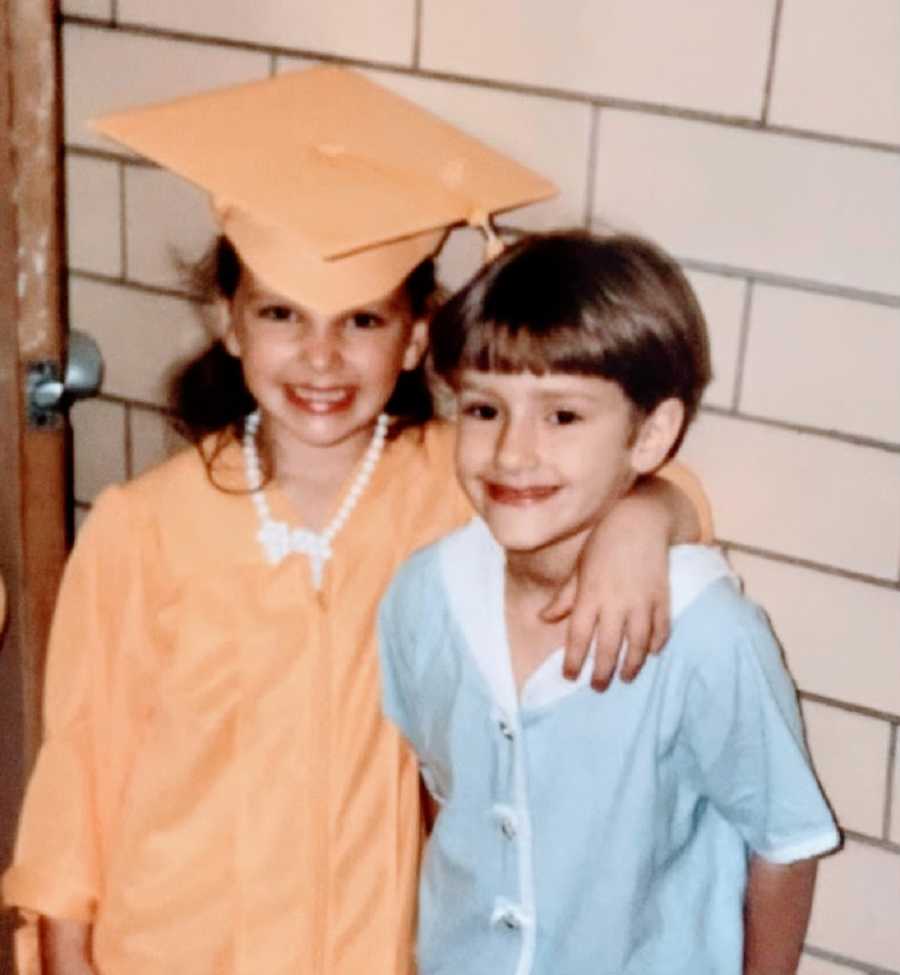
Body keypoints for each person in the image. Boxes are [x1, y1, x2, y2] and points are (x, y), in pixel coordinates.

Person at [2, 72, 709, 975]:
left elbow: (653, 477)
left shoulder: (453, 485)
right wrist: (66, 953)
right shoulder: (146, 526)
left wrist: (641, 523)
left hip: (365, 946)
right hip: (171, 940)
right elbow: (78, 774)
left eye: (363, 320)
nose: (322, 358)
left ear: (416, 338)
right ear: (230, 324)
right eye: (282, 315)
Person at [378, 231, 840, 975]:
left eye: (562, 416)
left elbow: (784, 843)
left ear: (650, 434)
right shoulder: (423, 596)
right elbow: (445, 799)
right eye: (484, 409)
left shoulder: (706, 632)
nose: (513, 452)